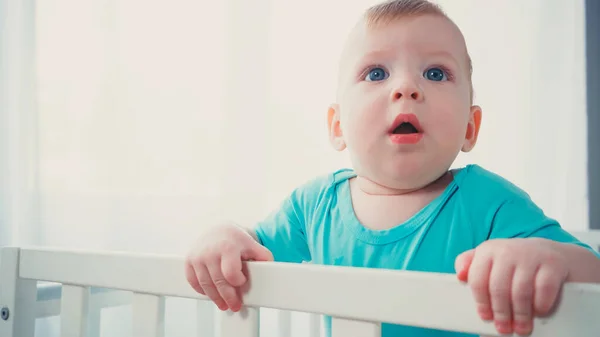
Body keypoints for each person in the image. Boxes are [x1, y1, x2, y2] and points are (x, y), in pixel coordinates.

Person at [184, 0, 600, 336]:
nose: (406, 88)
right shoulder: (314, 206)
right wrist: (225, 236)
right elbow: (252, 247)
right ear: (338, 126)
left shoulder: (488, 203)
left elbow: (592, 271)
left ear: (470, 128)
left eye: (435, 73)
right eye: (376, 73)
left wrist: (547, 258)